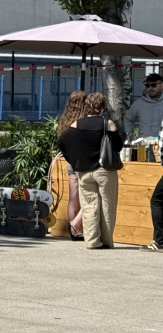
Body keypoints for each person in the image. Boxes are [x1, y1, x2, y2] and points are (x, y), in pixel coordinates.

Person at [57, 92, 123, 250]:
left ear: (86, 107)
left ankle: (92, 241)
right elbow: (118, 146)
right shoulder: (107, 124)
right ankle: (106, 240)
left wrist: (74, 160)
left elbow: (62, 142)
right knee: (107, 205)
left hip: (84, 171)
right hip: (104, 170)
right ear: (102, 107)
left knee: (89, 206)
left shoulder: (77, 124)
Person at [55, 91, 88, 241]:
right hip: (83, 162)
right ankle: (77, 227)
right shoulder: (83, 120)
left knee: (73, 199)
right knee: (89, 197)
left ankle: (73, 229)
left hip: (70, 161)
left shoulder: (65, 119)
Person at [124, 73, 163, 142]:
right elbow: (128, 118)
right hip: (143, 146)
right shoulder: (139, 103)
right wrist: (129, 134)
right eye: (147, 85)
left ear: (162, 85)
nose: (150, 88)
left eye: (153, 85)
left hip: (161, 146)